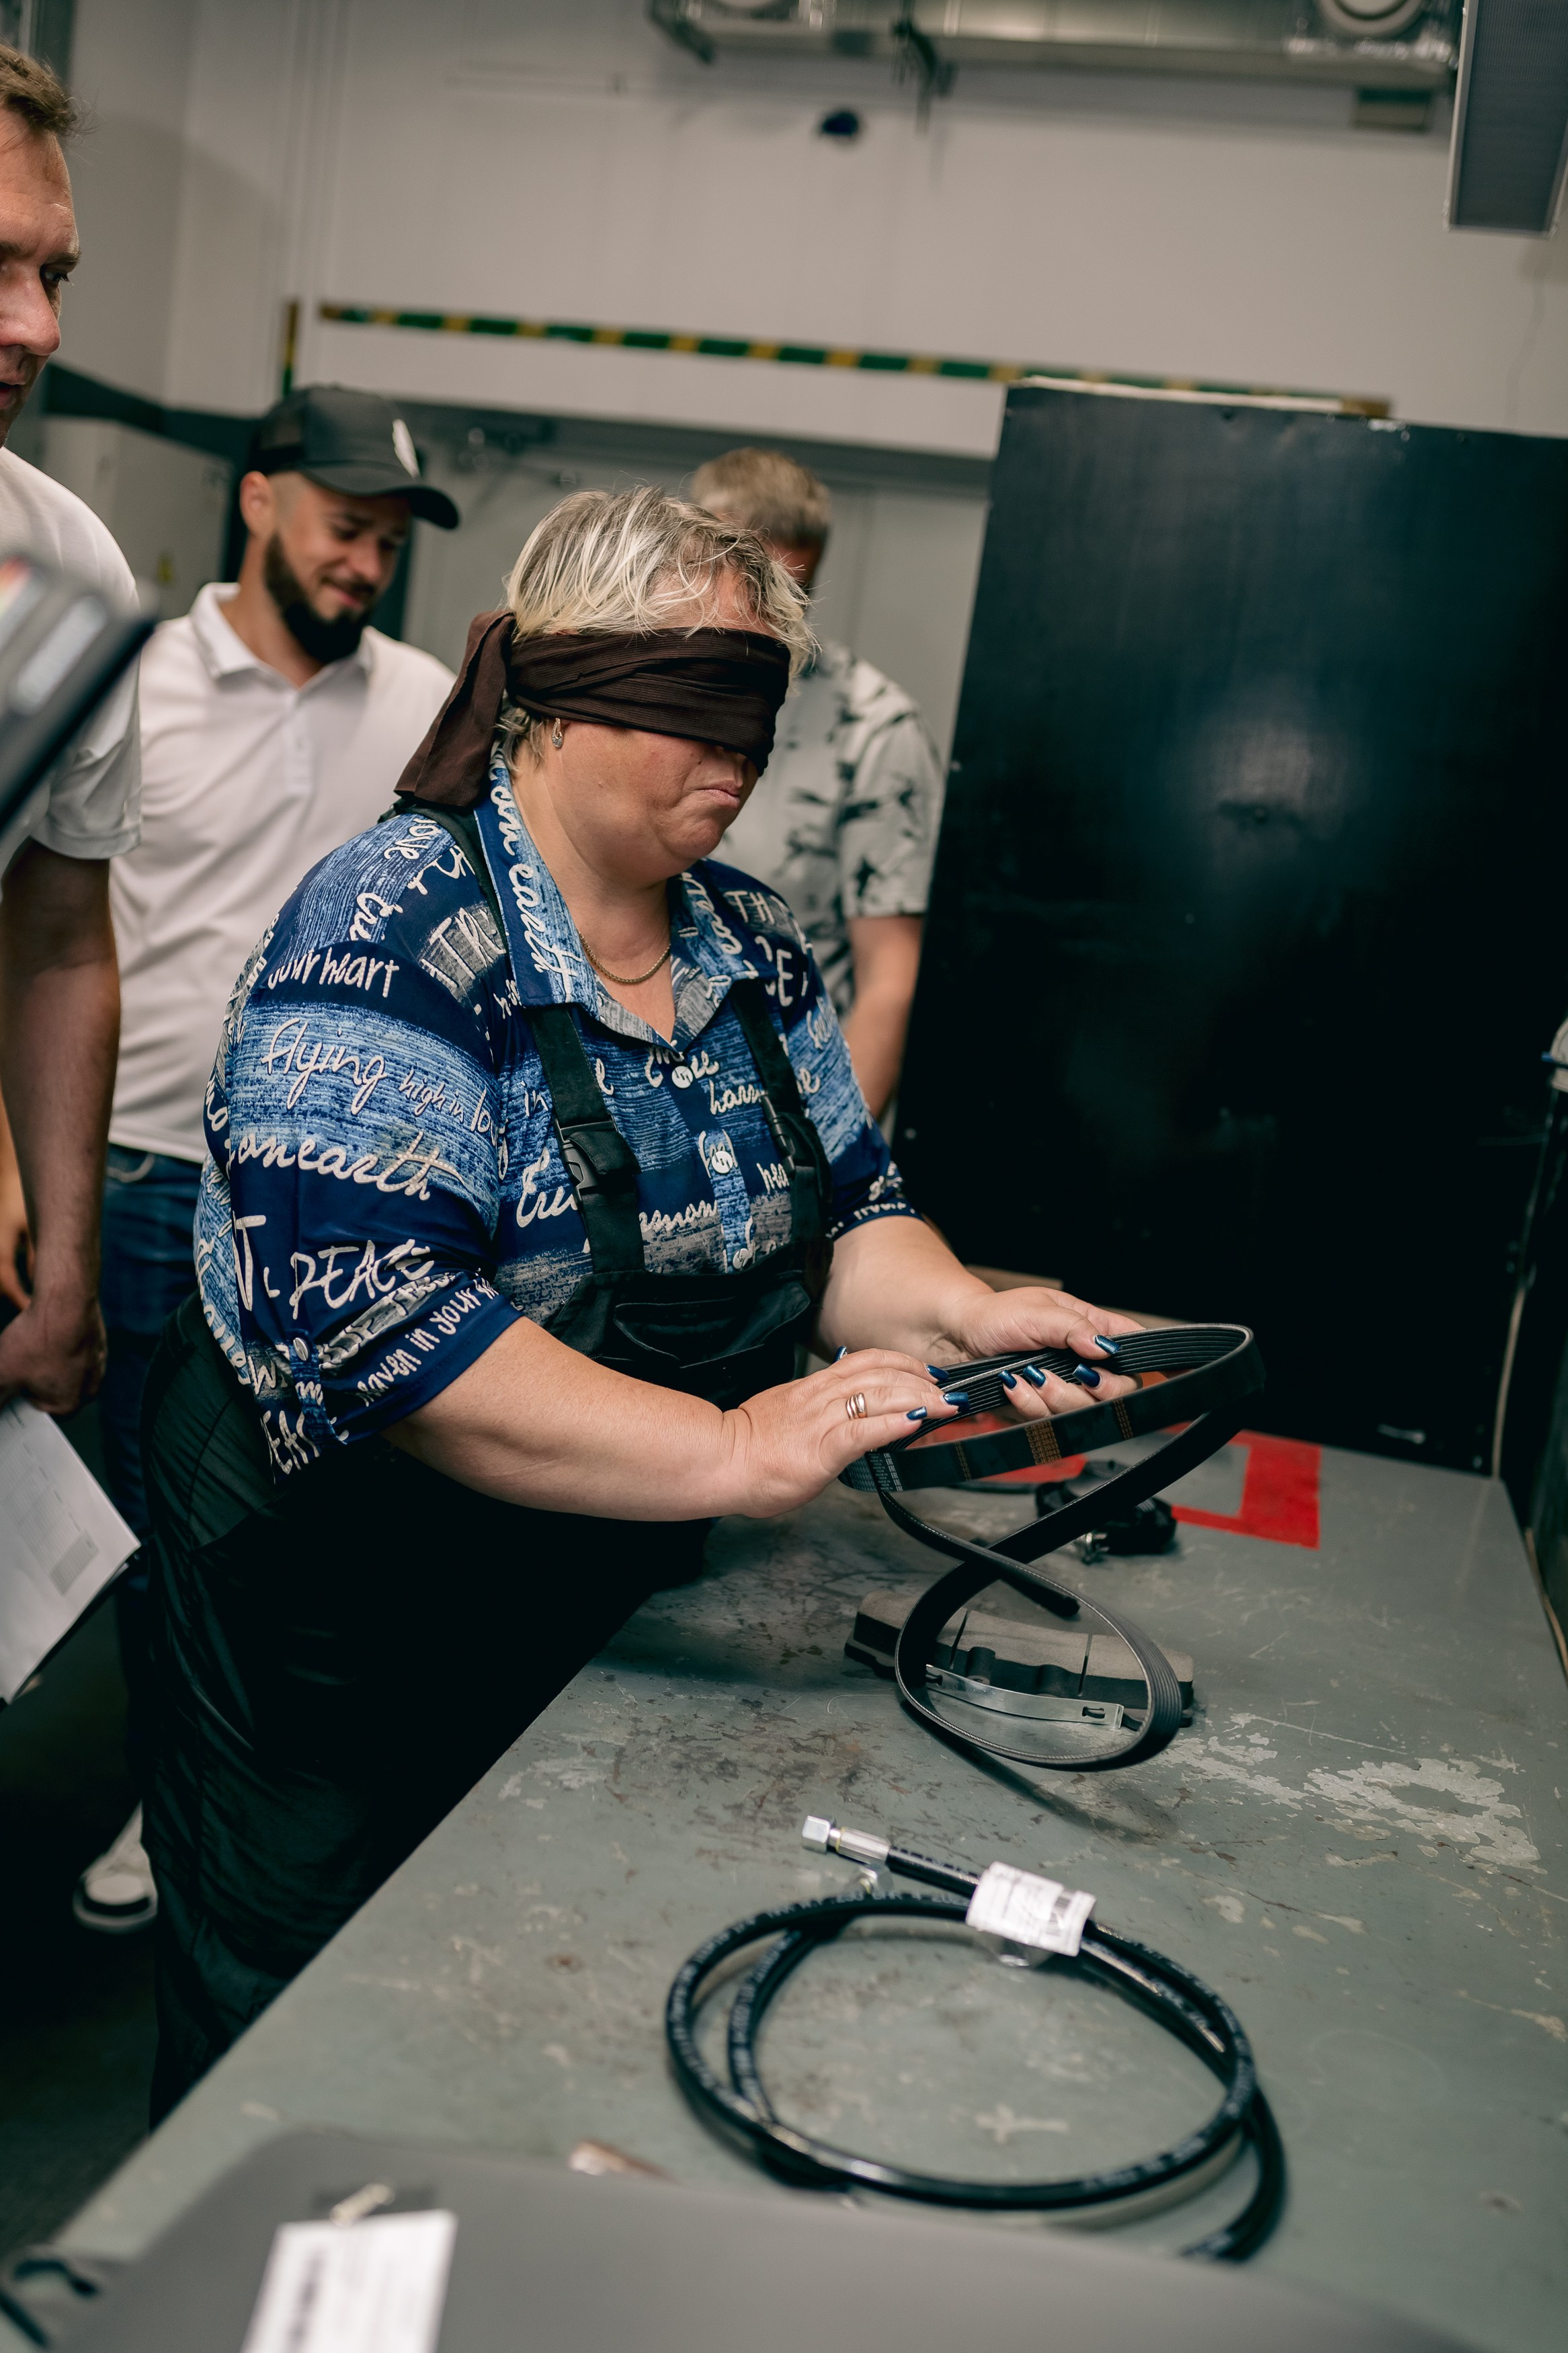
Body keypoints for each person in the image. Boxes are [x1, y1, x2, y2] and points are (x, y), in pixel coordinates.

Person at [138, 484, 1141, 2118]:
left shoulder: (751, 946)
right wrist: (734, 1451)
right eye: (696, 703)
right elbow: (386, 1332)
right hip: (330, 1606)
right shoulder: (394, 928)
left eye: (760, 706)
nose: (736, 752)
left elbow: (846, 1223)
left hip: (581, 1583)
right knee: (303, 2033)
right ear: (557, 687)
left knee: (524, 1995)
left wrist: (959, 1311)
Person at [62, 386, 459, 1937]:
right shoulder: (133, 677)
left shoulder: (427, 703)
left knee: (285, 1539)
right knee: (157, 1539)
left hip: (329, 1208)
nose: (364, 562)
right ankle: (171, 1801)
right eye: (343, 525)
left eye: (384, 541)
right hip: (145, 1171)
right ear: (259, 498)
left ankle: (206, 1800)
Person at [0, 46, 140, 1430]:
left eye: (54, 276)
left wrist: (64, 1274)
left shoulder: (64, 568)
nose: (37, 326)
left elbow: (55, 934)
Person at [690, 447, 944, 1122]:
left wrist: (825, 1159)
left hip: (777, 1105)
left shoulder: (871, 725)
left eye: (794, 591)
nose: (773, 617)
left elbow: (891, 978)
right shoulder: (642, 688)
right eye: (754, 585)